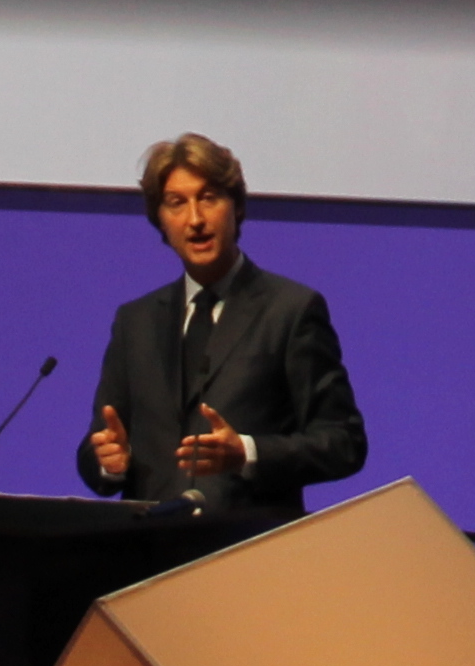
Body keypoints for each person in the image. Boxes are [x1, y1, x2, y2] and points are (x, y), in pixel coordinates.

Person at [75, 134, 365, 524]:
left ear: (236, 206)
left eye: (209, 198)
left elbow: (344, 442)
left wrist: (247, 453)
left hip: (250, 548)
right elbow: (98, 445)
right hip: (152, 548)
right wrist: (108, 462)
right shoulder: (135, 322)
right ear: (160, 219)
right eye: (176, 203)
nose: (195, 219)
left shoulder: (291, 310)